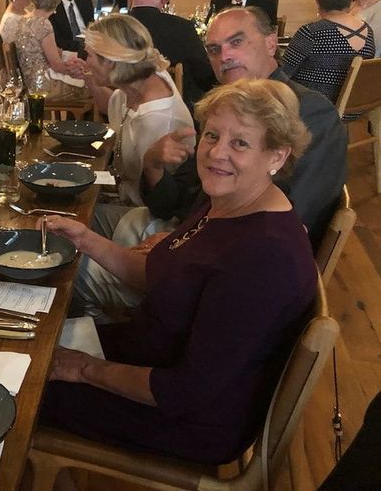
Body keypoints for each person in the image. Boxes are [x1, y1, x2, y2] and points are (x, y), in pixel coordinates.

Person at [40, 78, 316, 465]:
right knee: (29, 339)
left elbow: (188, 391)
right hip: (146, 357)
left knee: (16, 385)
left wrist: (85, 368)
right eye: (213, 135)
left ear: (277, 156)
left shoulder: (265, 257)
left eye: (240, 143)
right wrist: (84, 238)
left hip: (183, 418)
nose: (217, 152)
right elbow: (156, 273)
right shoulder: (225, 200)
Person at [142, 7, 347, 247]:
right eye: (214, 49)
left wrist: (185, 243)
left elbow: (291, 219)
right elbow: (182, 199)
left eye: (236, 42)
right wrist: (152, 165)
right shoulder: (222, 108)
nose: (224, 56)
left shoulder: (310, 112)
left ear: (271, 44)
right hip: (191, 234)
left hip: (243, 261)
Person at [80, 15, 193, 209]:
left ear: (110, 62)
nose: (85, 61)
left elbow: (159, 204)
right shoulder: (142, 79)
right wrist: (91, 80)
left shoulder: (159, 120)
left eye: (89, 55)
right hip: (120, 194)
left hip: (141, 216)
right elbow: (112, 107)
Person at [128, 0, 216, 110]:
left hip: (118, 105)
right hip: (169, 109)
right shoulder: (181, 28)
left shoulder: (111, 27)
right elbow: (204, 75)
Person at [282, 0, 374, 104]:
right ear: (349, 0)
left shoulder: (312, 32)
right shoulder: (368, 31)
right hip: (354, 108)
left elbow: (282, 73)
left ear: (319, 2)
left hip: (312, 107)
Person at [14, 0, 86, 87]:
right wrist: (78, 71)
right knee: (90, 84)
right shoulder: (44, 24)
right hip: (42, 85)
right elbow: (57, 66)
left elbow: (48, 53)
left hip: (28, 80)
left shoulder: (24, 19)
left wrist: (69, 61)